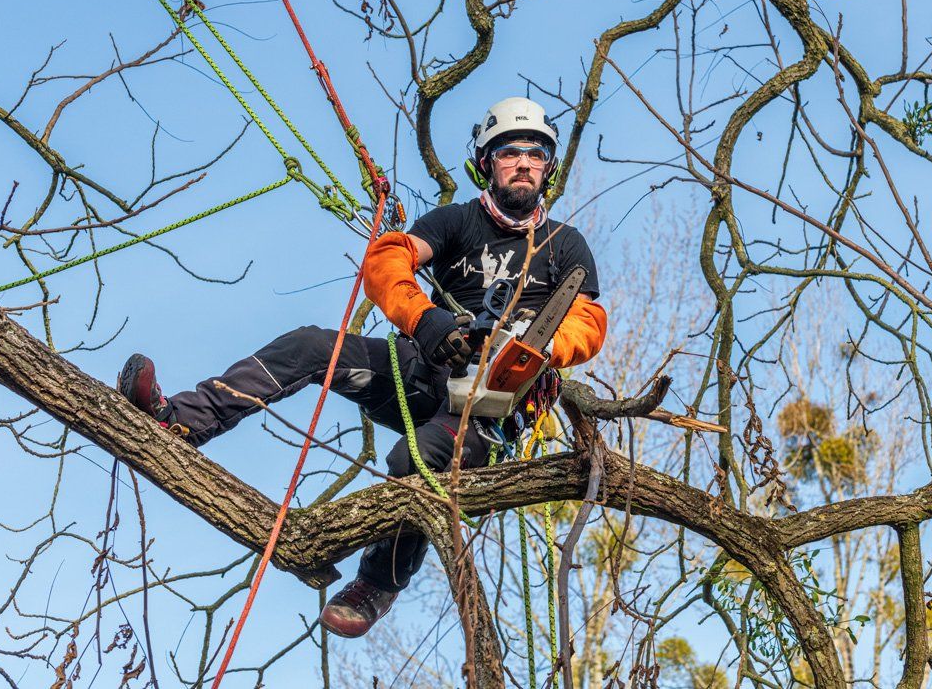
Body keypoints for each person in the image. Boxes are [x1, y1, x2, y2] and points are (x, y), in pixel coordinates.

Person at [116, 97, 607, 638]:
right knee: (309, 346)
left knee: (416, 460)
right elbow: (388, 257)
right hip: (424, 370)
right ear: (486, 163)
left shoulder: (565, 245)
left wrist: (535, 350)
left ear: (548, 167)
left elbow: (587, 322)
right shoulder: (456, 221)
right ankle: (181, 420)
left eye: (534, 154)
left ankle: (377, 582)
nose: (522, 164)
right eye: (509, 152)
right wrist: (425, 320)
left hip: (493, 408)